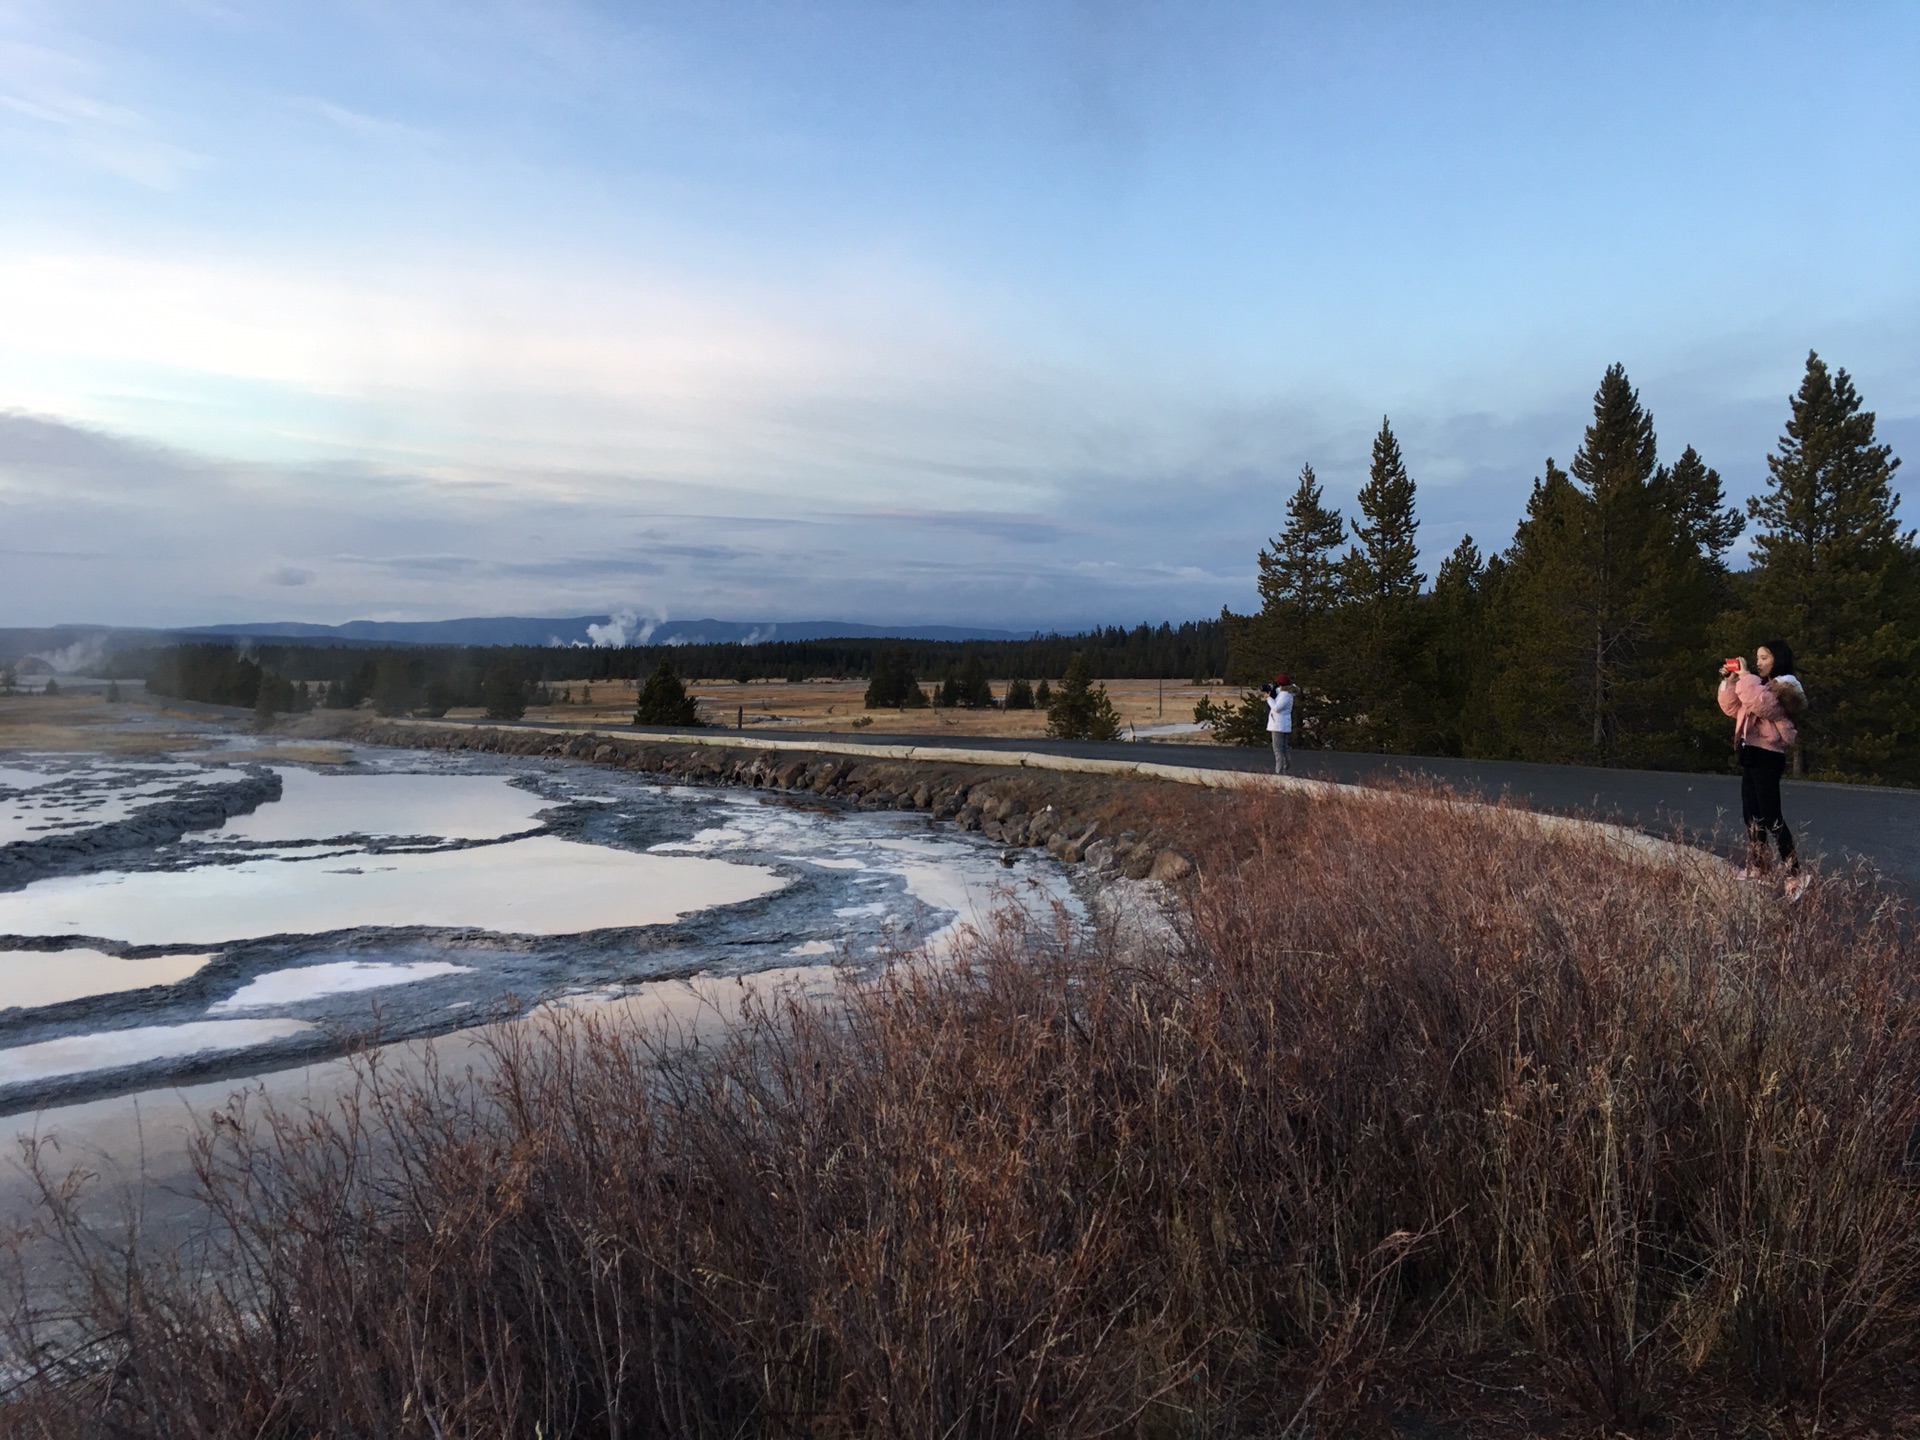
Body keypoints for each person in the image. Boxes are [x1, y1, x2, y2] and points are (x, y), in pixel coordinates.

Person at [1717, 639, 1808, 898]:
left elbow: (1762, 704)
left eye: (1765, 657)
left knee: (1772, 816)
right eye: (1757, 657)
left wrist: (1745, 676)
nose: (1758, 662)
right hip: (1751, 753)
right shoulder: (1756, 685)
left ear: (1778, 659)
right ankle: (1759, 866)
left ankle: (1795, 872)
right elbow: (1733, 707)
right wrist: (1731, 681)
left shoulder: (1788, 685)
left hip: (1769, 755)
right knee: (1751, 814)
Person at [1263, 673, 1294, 775]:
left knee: (1278, 750)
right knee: (1284, 749)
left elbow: (1276, 708)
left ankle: (1279, 771)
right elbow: (1278, 691)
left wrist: (1268, 698)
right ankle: (1285, 769)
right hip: (1283, 725)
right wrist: (1270, 689)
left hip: (1278, 725)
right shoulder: (1287, 693)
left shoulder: (1285, 696)